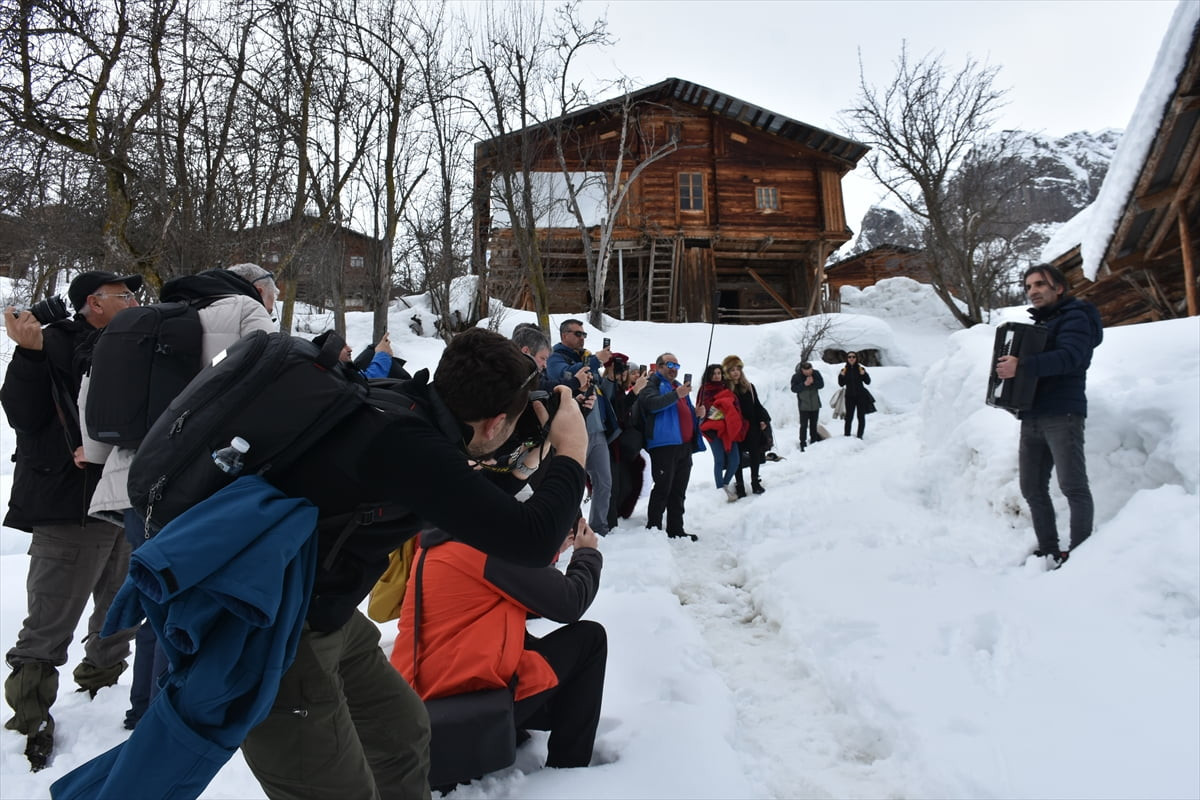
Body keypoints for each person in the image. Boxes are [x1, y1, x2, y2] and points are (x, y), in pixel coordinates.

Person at [237, 327, 589, 800]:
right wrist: (572, 451)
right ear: (490, 424)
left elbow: (465, 503)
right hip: (269, 631)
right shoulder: (406, 445)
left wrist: (529, 456)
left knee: (402, 734)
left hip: (323, 611)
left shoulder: (403, 408)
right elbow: (528, 541)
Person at [80, 265, 277, 730]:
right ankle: (176, 717)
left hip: (131, 484)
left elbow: (94, 400)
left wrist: (101, 457)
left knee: (156, 598)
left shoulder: (143, 318)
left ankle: (144, 710)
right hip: (198, 483)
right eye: (273, 296)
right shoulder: (246, 311)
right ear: (257, 291)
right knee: (191, 603)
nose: (273, 305)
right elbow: (273, 382)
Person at [1, 270, 143, 769]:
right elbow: (21, 412)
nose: (132, 300)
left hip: (121, 500)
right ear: (92, 303)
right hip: (68, 504)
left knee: (120, 607)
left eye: (133, 294)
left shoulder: (132, 344)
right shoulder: (54, 341)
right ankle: (30, 718)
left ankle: (101, 688)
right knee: (50, 619)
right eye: (122, 294)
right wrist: (28, 354)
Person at [393, 516, 606, 772]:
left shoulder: (443, 542)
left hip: (427, 697)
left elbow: (515, 590)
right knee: (590, 640)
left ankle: (516, 731)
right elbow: (570, 602)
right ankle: (568, 769)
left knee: (528, 644)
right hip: (464, 702)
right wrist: (586, 555)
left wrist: (548, 553)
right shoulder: (485, 549)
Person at [996, 263, 1103, 567]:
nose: (1033, 291)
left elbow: (1072, 358)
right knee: (1031, 487)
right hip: (1032, 415)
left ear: (1058, 288)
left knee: (1072, 485)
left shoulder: (1076, 317)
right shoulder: (1041, 325)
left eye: (1040, 284)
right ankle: (1049, 549)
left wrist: (1023, 365)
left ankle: (1082, 554)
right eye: (1029, 286)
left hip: (1063, 414)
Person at [546, 319, 618, 536]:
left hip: (597, 430)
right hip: (574, 433)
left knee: (604, 482)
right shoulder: (555, 357)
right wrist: (595, 360)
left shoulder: (586, 358)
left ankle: (599, 528)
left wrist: (611, 376)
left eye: (584, 334)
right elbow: (564, 377)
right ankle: (569, 530)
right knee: (573, 484)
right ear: (564, 335)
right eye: (578, 334)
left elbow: (603, 393)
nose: (582, 338)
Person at [638, 353, 703, 540]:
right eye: (669, 364)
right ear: (659, 367)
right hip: (663, 445)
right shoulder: (653, 383)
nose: (673, 368)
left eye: (676, 365)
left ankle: (676, 529)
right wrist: (677, 395)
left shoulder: (677, 387)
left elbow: (682, 413)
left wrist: (697, 414)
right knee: (663, 488)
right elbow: (651, 404)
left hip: (684, 445)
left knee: (679, 489)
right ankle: (654, 528)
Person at [600, 354, 647, 527]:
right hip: (611, 445)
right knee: (613, 487)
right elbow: (615, 411)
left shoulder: (621, 389)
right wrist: (635, 392)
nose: (624, 373)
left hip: (623, 447)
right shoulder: (608, 387)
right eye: (622, 370)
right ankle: (609, 522)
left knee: (626, 485)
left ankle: (618, 516)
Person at [722, 356, 770, 497]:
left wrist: (763, 419)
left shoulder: (749, 386)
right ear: (727, 372)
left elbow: (757, 405)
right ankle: (740, 485)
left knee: (755, 454)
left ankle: (755, 482)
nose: (736, 372)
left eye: (738, 369)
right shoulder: (726, 390)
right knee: (737, 458)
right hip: (735, 428)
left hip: (752, 426)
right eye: (732, 370)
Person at [696, 364, 744, 502]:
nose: (717, 376)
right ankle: (720, 491)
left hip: (728, 428)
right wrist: (716, 409)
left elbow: (734, 406)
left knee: (735, 460)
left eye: (719, 373)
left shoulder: (726, 388)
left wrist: (729, 411)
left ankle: (724, 484)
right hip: (712, 430)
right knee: (719, 460)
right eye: (714, 373)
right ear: (709, 375)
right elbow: (701, 409)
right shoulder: (704, 390)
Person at [838, 351, 873, 439]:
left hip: (861, 396)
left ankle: (860, 436)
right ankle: (847, 435)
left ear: (856, 358)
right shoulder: (844, 370)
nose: (851, 358)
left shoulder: (860, 369)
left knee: (861, 416)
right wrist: (841, 376)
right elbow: (841, 384)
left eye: (853, 357)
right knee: (848, 417)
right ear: (847, 359)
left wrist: (864, 374)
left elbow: (868, 382)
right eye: (849, 357)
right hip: (849, 397)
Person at [791, 361, 825, 451]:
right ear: (802, 370)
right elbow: (794, 389)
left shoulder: (816, 373)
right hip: (803, 405)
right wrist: (804, 384)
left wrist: (813, 383)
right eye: (806, 371)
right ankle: (803, 443)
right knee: (804, 425)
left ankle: (814, 441)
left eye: (810, 370)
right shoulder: (796, 377)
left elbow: (821, 385)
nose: (808, 372)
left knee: (814, 424)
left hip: (815, 404)